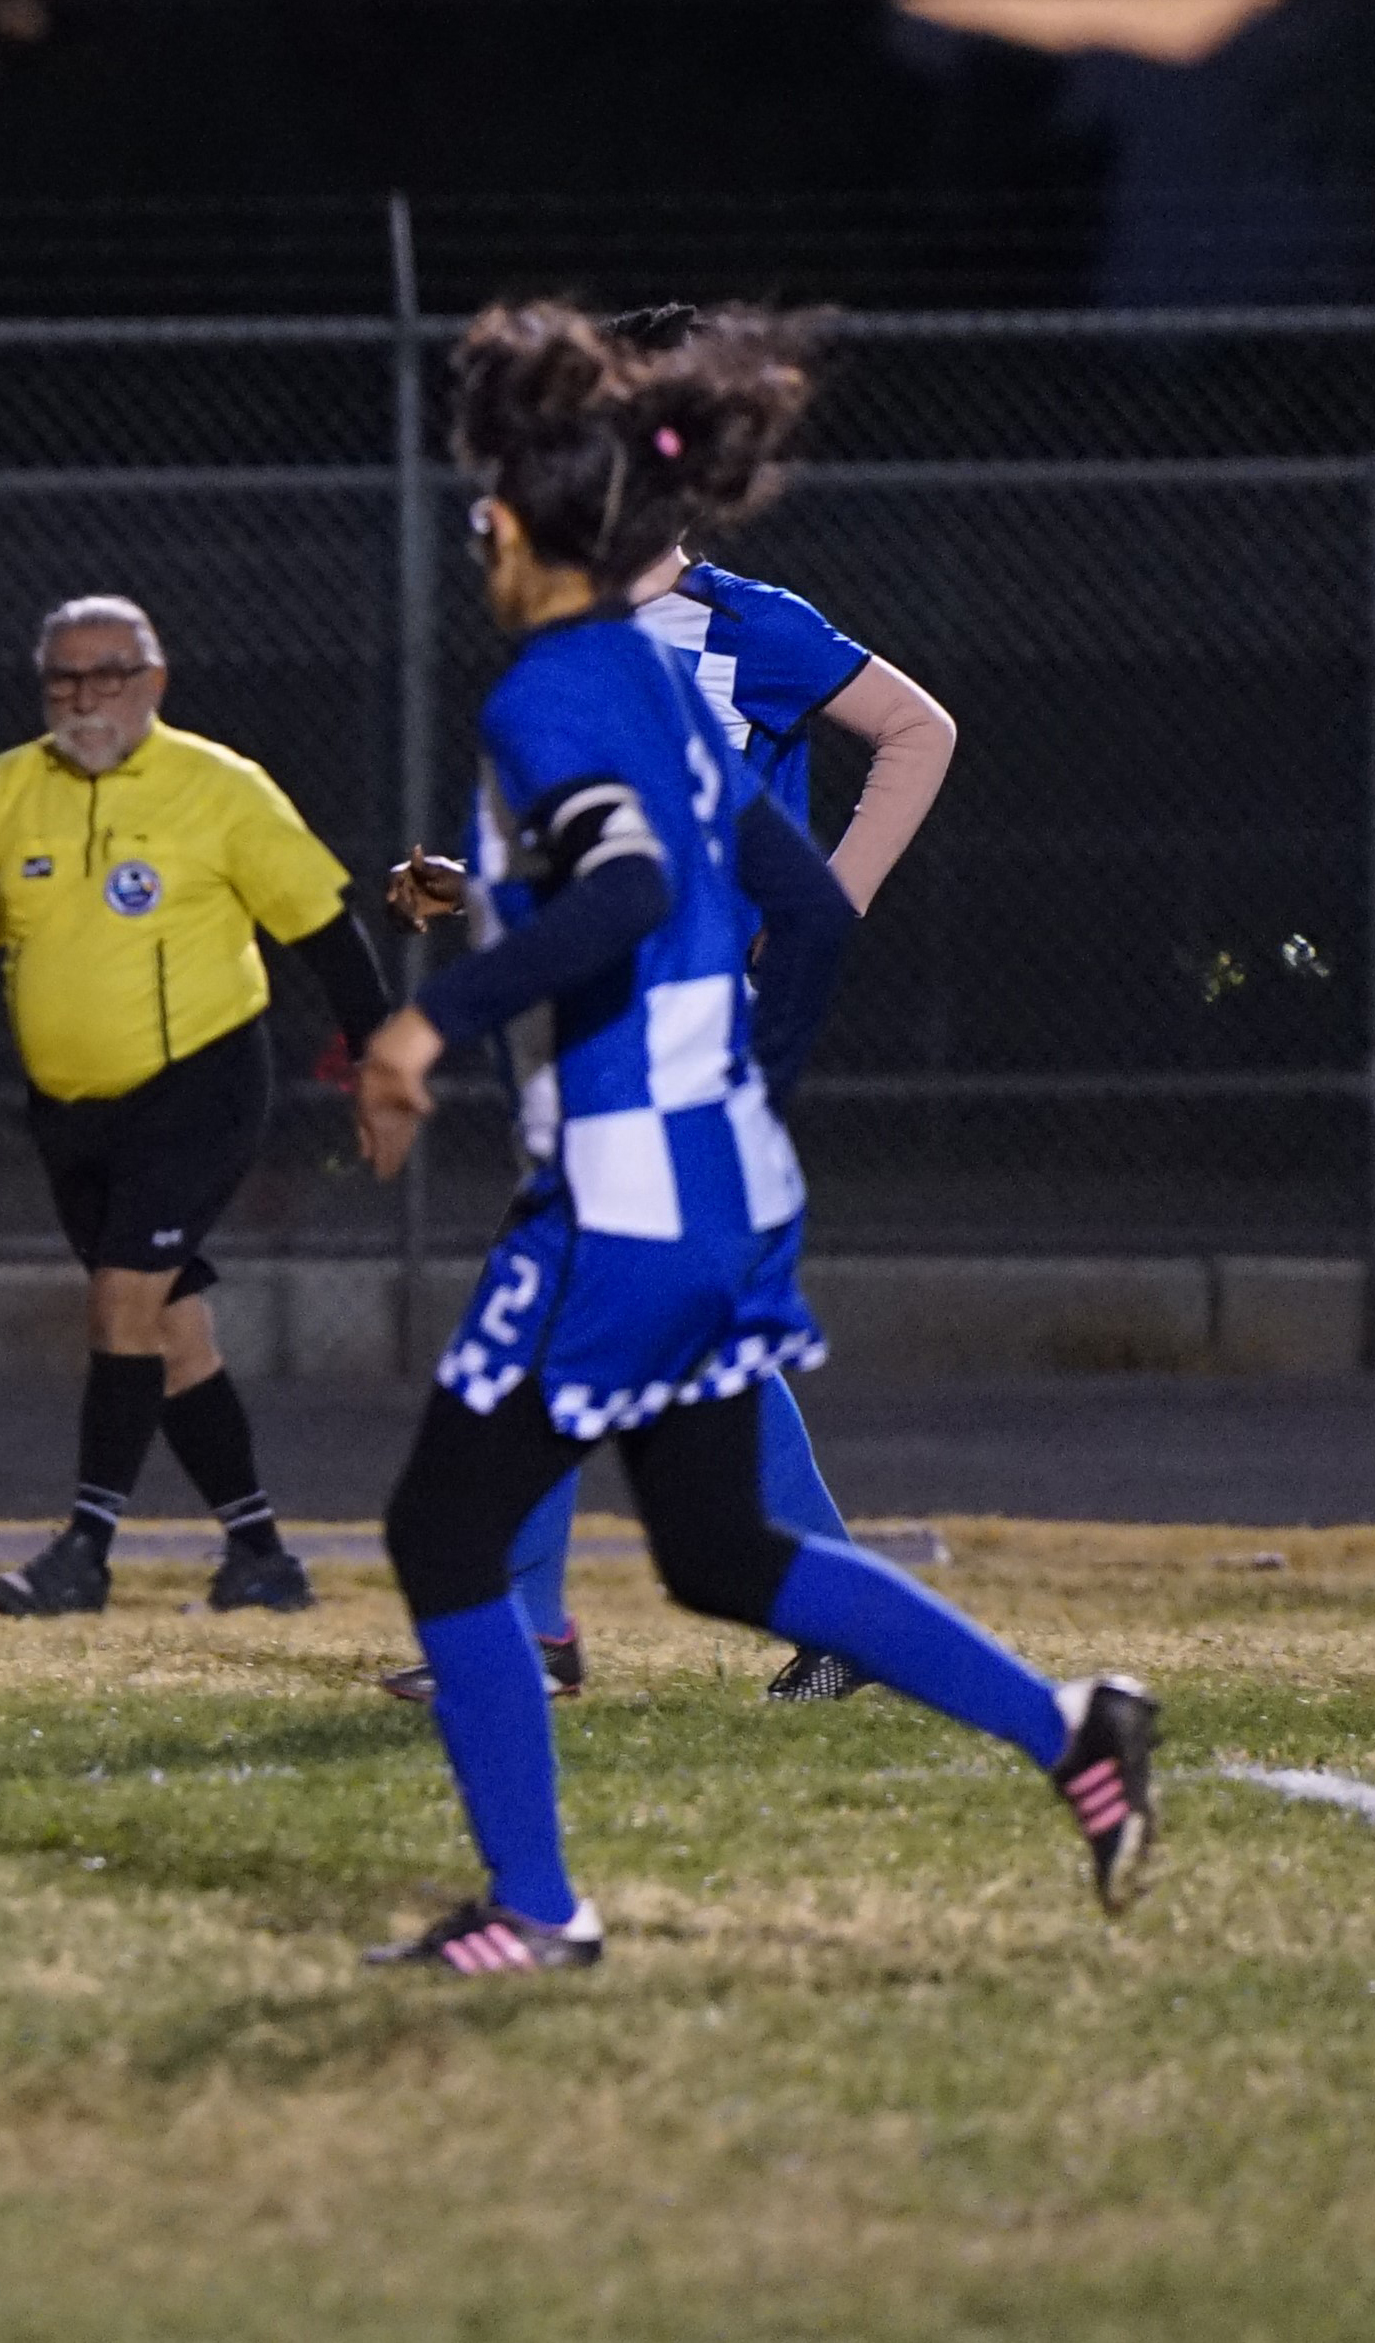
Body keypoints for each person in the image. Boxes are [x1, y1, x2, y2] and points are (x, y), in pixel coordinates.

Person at [351, 302, 1154, 1974]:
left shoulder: (559, 687)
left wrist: (435, 1015)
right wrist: (669, 1005)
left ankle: (535, 1908)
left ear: (547, 516)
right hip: (711, 1175)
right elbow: (777, 891)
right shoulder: (670, 687)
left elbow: (635, 886)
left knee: (442, 1530)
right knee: (721, 1550)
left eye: (490, 499)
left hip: (620, 1197)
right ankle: (1072, 1724)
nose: (477, 525)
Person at [374, 301, 964, 1708]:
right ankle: (788, 1619)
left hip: (680, 1034)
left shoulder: (733, 625)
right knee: (664, 1307)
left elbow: (914, 731)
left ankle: (532, 1629)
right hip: (598, 1030)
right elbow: (623, 859)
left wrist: (814, 908)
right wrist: (472, 891)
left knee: (598, 1290)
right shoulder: (584, 647)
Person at [0, 594, 391, 1620]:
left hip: (201, 1084)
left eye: (107, 674)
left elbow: (326, 931)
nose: (85, 697)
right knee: (169, 1331)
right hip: (68, 1112)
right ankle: (261, 1555)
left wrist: (381, 1069)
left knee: (120, 1303)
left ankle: (85, 1550)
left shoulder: (219, 788)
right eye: (64, 678)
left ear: (153, 682)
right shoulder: (7, 789)